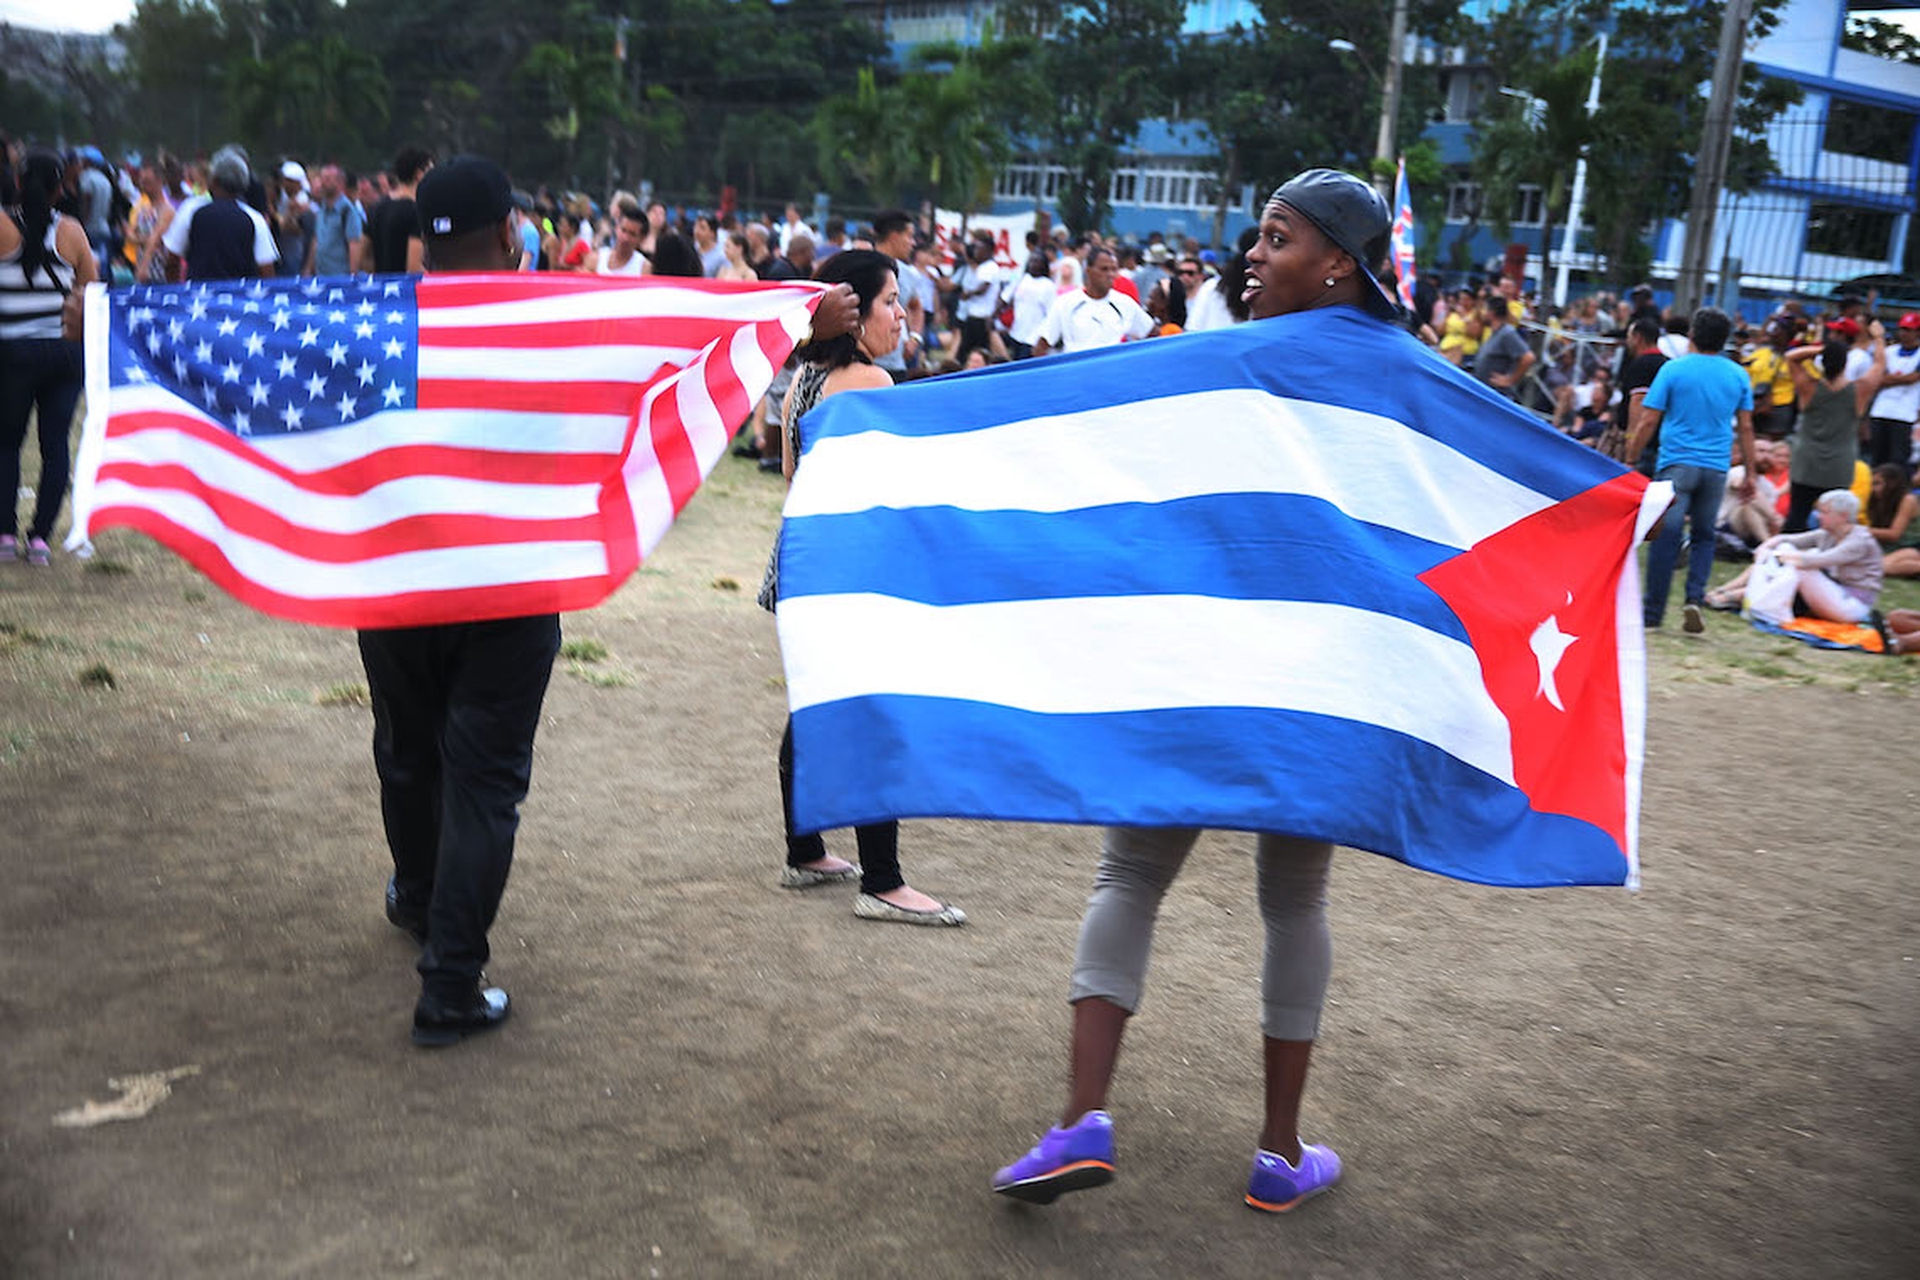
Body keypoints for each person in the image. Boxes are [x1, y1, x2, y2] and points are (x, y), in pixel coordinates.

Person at [992, 168, 1409, 1214]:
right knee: (1293, 900)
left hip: (1200, 662)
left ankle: (1083, 1120)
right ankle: (1278, 1153)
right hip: (1312, 682)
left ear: (1339, 262)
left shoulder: (1216, 364)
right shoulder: (1407, 377)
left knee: (1131, 874)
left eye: (1277, 237)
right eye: (1257, 237)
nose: (1253, 255)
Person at [761, 249, 965, 927]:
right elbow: (895, 490)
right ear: (852, 311)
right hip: (853, 570)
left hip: (803, 563)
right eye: (890, 301)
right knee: (875, 713)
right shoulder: (871, 381)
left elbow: (790, 476)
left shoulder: (804, 379)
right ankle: (883, 881)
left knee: (814, 705)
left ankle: (804, 850)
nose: (901, 314)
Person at [1627, 307, 1756, 633]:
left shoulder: (1673, 369)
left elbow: (1649, 419)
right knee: (1704, 536)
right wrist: (1751, 473)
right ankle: (1694, 598)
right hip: (1716, 466)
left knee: (1666, 536)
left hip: (1677, 463)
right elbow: (1746, 427)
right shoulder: (1738, 375)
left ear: (1693, 334)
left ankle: (1653, 613)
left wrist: (1631, 457)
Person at [1, 148, 98, 567]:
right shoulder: (72, 232)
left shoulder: (2, 226)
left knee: (7, 444)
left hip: (12, 353)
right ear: (61, 189)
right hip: (64, 354)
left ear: (18, 183)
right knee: (56, 446)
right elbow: (91, 290)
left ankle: (5, 535)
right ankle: (40, 538)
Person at [1702, 490, 1883, 622]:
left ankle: (1733, 597)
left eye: (1825, 512)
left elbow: (1818, 561)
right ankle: (1723, 592)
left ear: (1843, 516)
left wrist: (1778, 556)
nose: (1818, 516)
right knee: (1786, 552)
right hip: (1831, 591)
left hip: (1852, 605)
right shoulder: (1828, 533)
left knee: (1799, 564)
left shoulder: (1859, 540)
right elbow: (1785, 538)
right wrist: (1766, 548)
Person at [1782, 326, 1886, 535]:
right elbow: (1879, 364)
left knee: (1797, 515)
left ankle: (1787, 551)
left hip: (1806, 461)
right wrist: (1878, 337)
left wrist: (1823, 349)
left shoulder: (1809, 386)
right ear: (1846, 363)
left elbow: (1791, 357)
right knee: (1835, 521)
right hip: (1839, 464)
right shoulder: (1860, 389)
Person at [1034, 247, 1151, 356]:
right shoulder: (1065, 303)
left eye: (1114, 269)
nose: (1110, 274)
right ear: (1088, 271)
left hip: (1112, 369)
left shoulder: (1125, 303)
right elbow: (1042, 345)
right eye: (1104, 269)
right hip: (1077, 369)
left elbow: (1151, 333)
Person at [361, 146, 431, 274]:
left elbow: (364, 257)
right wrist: (436, 281)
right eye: (430, 171)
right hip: (407, 286)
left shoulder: (376, 208)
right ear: (419, 174)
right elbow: (414, 267)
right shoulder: (416, 212)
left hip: (381, 284)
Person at [1863, 313, 1920, 467]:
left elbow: (1913, 378)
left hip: (1905, 415)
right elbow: (1876, 378)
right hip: (1881, 411)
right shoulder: (1889, 351)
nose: (1904, 333)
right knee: (1877, 459)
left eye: (1909, 330)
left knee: (1898, 461)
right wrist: (1900, 379)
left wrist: (1888, 379)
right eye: (1902, 329)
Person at [308, 164, 365, 277]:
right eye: (322, 178)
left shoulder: (348, 211)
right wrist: (308, 269)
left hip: (340, 277)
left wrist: (353, 276)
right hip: (321, 276)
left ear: (340, 182)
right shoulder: (322, 209)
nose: (323, 183)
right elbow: (316, 240)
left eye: (328, 179)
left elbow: (354, 245)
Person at [1473, 297, 1534, 398]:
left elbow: (1528, 358)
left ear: (1491, 313)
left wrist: (1510, 380)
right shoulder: (1494, 334)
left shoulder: (1507, 333)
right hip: (1484, 393)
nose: (1482, 314)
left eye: (1484, 309)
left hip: (1497, 395)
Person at [1868, 463, 1920, 578]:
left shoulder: (1908, 499)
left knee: (1877, 567)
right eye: (1872, 484)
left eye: (1877, 483)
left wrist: (1859, 529)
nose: (1873, 489)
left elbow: (1894, 534)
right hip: (1892, 548)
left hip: (1912, 546)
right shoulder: (1879, 499)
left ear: (1892, 483)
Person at [1006, 252, 1056, 359]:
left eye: (1037, 261)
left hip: (1033, 337)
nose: (1033, 264)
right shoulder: (1022, 279)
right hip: (1016, 332)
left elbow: (1051, 314)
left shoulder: (1048, 286)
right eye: (1031, 261)